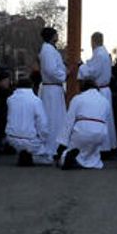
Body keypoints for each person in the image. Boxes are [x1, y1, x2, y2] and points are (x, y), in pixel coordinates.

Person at [59, 78, 111, 170]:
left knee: (72, 150)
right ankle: (87, 162)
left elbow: (69, 121)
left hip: (82, 131)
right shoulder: (105, 101)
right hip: (99, 133)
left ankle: (69, 157)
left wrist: (62, 142)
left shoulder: (78, 99)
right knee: (93, 154)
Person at [82, 32, 117, 152]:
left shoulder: (99, 54)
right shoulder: (104, 53)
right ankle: (108, 145)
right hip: (105, 89)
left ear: (93, 41)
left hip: (100, 90)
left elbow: (92, 71)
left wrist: (81, 66)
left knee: (99, 118)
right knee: (106, 118)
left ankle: (102, 147)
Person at [5, 78, 52, 166]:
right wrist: (43, 138)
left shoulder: (10, 99)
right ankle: (30, 157)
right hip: (30, 140)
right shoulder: (36, 100)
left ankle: (21, 154)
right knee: (48, 158)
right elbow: (42, 123)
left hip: (12, 138)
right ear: (32, 86)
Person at [38, 28, 68, 160]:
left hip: (54, 89)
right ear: (52, 36)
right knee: (52, 119)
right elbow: (51, 70)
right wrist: (65, 74)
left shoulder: (50, 49)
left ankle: (57, 146)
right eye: (56, 33)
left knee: (57, 118)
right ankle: (52, 147)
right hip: (52, 90)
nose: (58, 35)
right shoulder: (48, 50)